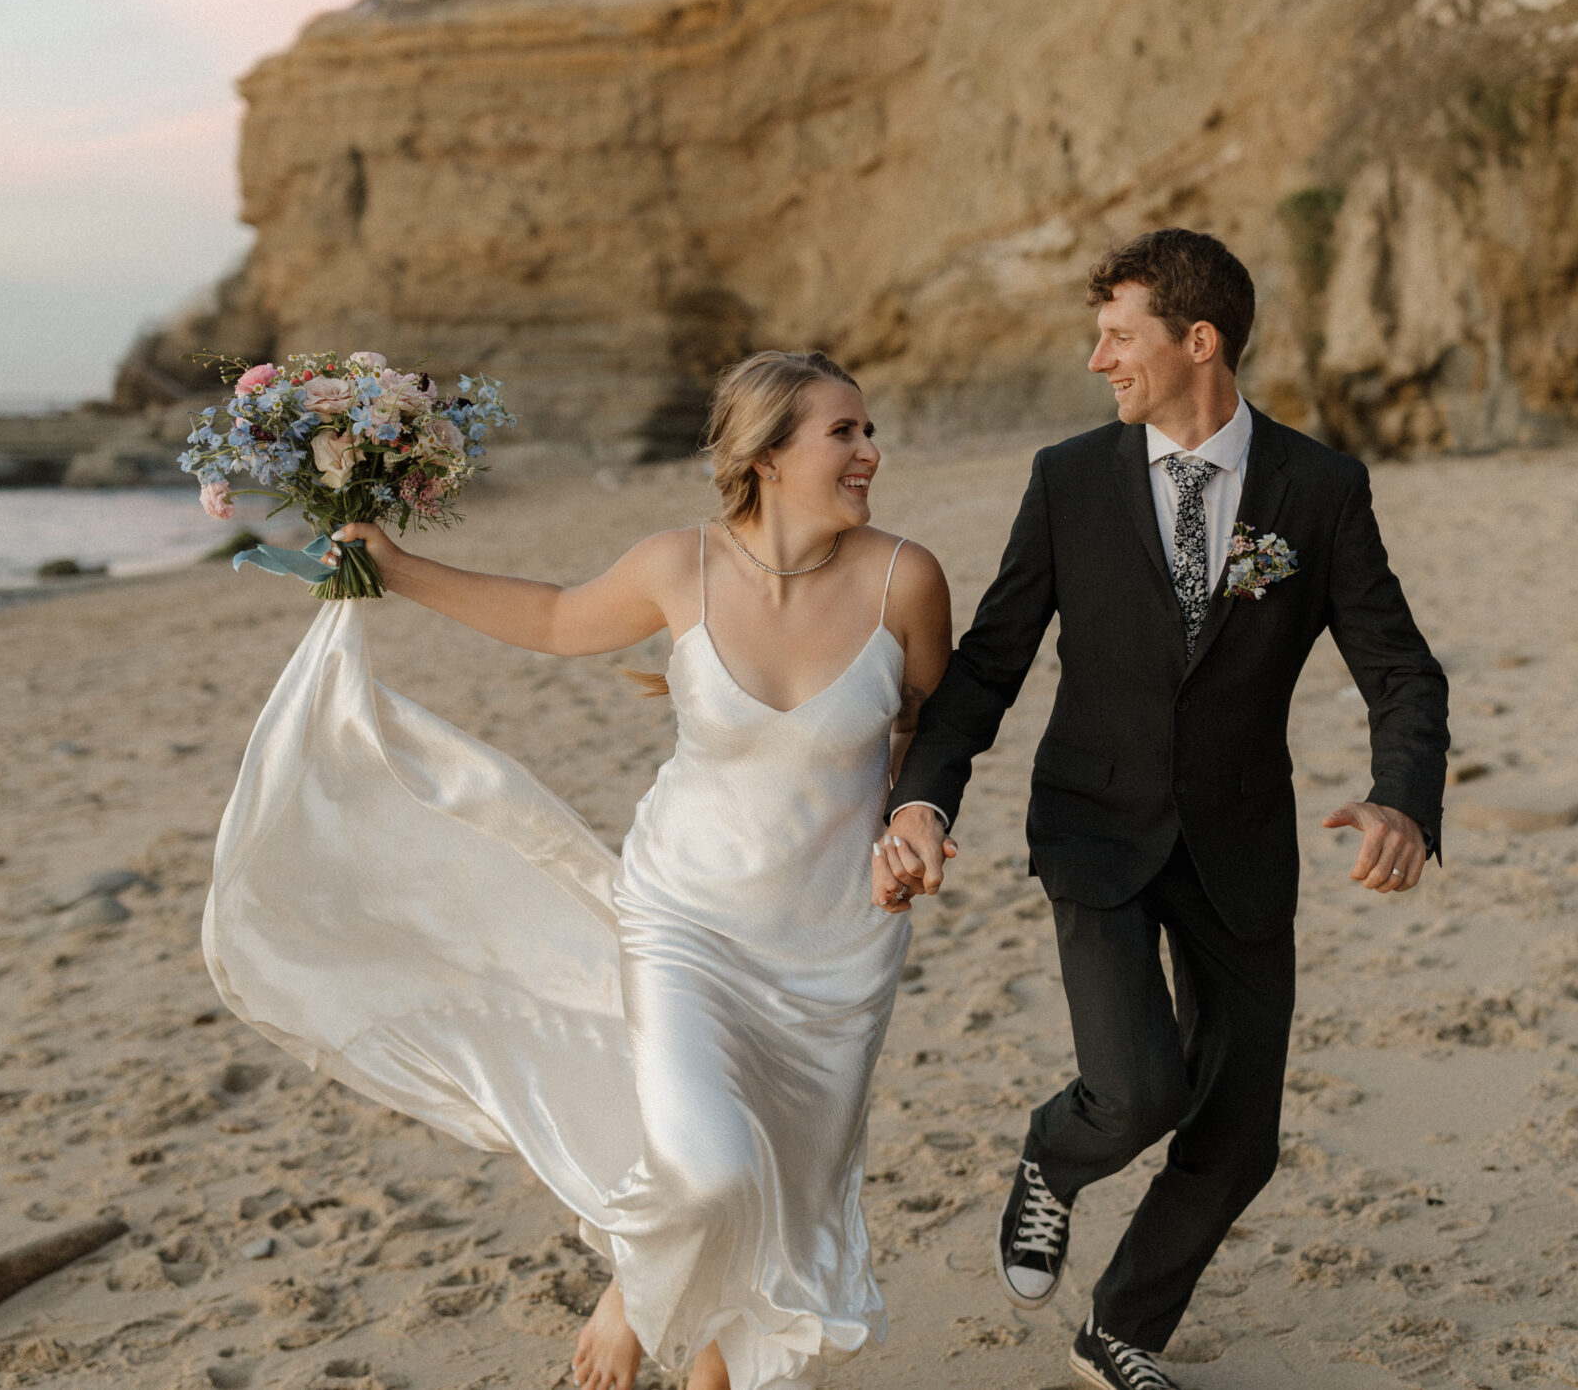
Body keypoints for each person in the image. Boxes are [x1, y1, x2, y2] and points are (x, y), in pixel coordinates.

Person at [203, 350, 958, 1390]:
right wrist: (393, 566)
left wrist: (912, 817)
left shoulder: (904, 576)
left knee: (786, 1193)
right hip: (686, 919)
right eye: (846, 432)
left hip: (837, 944)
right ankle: (631, 1293)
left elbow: (931, 725)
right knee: (709, 1171)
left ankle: (706, 1368)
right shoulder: (674, 565)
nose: (871, 451)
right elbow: (558, 618)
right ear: (770, 454)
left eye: (869, 430)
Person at [879, 229, 1450, 1390]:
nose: (1098, 360)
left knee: (1240, 1137)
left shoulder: (1319, 488)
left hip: (1240, 838)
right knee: (1135, 1086)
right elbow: (989, 663)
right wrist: (925, 794)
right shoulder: (1069, 479)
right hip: (1093, 823)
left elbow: (1401, 670)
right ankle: (1052, 1153)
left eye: (1117, 334)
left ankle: (1120, 1327)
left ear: (1200, 342)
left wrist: (1404, 799)